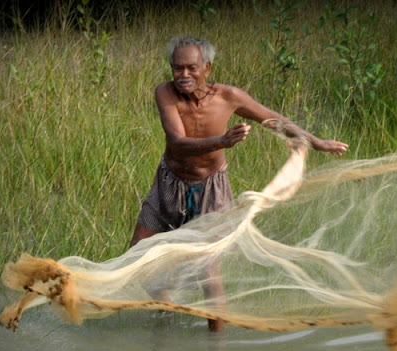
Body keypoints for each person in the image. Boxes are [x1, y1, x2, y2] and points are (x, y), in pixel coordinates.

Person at [130, 35, 348, 332]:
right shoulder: (165, 93)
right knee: (138, 255)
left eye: (191, 68)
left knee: (208, 270)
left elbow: (273, 119)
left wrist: (317, 142)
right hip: (169, 181)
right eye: (177, 68)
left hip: (211, 188)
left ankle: (215, 350)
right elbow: (177, 142)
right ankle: (167, 312)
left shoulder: (228, 96)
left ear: (207, 68)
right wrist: (222, 141)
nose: (183, 75)